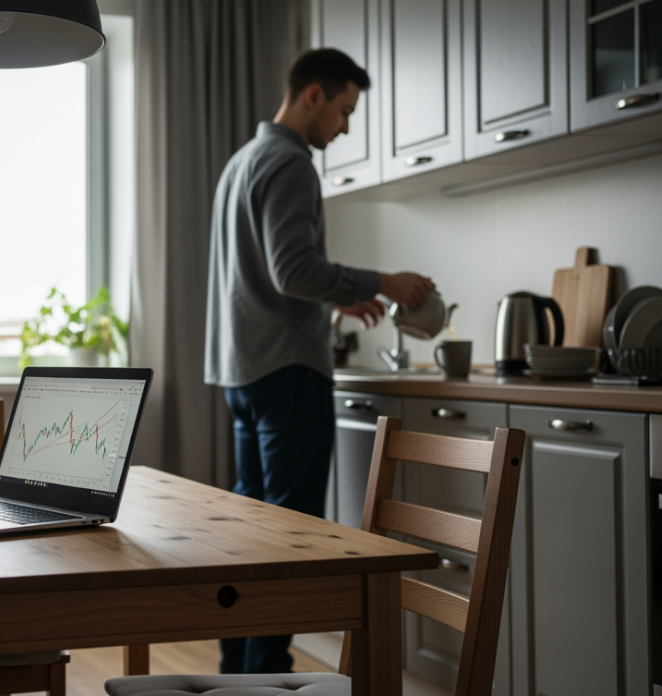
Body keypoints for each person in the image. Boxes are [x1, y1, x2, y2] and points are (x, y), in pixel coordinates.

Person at [203, 49, 434, 674]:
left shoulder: (241, 162)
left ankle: (237, 673)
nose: (346, 127)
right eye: (344, 110)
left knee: (250, 535)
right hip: (289, 376)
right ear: (312, 96)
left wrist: (340, 299)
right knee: (289, 539)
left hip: (241, 372)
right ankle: (269, 679)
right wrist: (385, 279)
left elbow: (260, 280)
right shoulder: (292, 163)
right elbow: (293, 269)